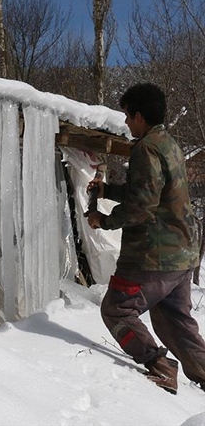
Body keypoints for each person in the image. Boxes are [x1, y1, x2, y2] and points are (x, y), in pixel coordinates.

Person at [86, 83, 205, 395]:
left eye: (127, 115)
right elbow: (149, 191)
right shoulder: (169, 145)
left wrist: (105, 220)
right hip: (181, 255)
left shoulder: (145, 148)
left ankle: (160, 365)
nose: (125, 122)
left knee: (116, 309)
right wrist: (108, 190)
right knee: (175, 322)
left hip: (152, 257)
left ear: (139, 116)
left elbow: (143, 205)